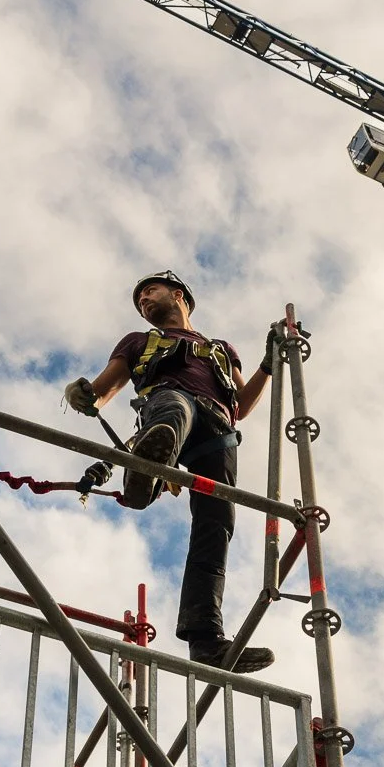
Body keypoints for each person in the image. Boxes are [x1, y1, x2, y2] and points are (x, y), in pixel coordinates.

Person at [64, 270, 276, 673]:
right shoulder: (138, 342)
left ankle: (206, 639)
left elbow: (241, 407)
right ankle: (150, 466)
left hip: (219, 431)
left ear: (178, 294)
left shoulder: (220, 349)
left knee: (217, 525)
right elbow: (107, 388)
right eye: (140, 298)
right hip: (168, 404)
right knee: (174, 408)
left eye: (150, 292)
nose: (143, 300)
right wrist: (85, 394)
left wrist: (268, 363)